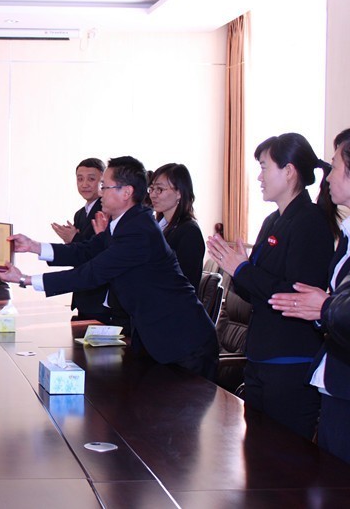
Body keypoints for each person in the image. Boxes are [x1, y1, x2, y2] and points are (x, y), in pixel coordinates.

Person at [0, 156, 218, 380]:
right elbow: (86, 250)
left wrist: (26, 279)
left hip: (184, 342)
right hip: (159, 337)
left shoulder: (139, 231)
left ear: (126, 192)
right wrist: (33, 246)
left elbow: (92, 273)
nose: (100, 193)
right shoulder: (126, 222)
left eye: (104, 186)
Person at [207, 132, 337, 440]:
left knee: (284, 457)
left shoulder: (310, 222)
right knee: (256, 452)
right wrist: (237, 271)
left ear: (289, 171)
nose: (259, 177)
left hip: (290, 361)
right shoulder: (272, 221)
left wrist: (242, 269)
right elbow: (254, 290)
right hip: (259, 357)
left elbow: (293, 294)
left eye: (264, 167)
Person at [269, 129, 350, 461]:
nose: (327, 176)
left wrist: (325, 307)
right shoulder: (346, 233)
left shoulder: (309, 221)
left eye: (335, 167)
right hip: (335, 380)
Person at [51, 158, 112, 323]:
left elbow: (100, 250)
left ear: (103, 182)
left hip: (100, 295)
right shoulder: (80, 213)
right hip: (83, 292)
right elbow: (80, 250)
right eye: (80, 179)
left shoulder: (106, 210)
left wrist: (74, 238)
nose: (84, 184)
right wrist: (70, 242)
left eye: (91, 179)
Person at [149, 163, 205, 289]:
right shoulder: (158, 226)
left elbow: (184, 283)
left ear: (179, 193)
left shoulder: (189, 232)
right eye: (152, 188)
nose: (153, 194)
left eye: (160, 189)